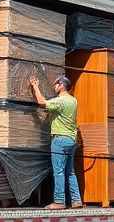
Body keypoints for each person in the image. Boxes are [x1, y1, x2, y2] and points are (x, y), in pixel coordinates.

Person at [29, 75, 83, 209]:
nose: (54, 87)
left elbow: (41, 102)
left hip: (60, 139)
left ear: (61, 85)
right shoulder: (73, 101)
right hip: (71, 140)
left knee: (58, 171)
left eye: (55, 84)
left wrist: (35, 85)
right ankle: (76, 201)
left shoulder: (60, 101)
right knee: (70, 171)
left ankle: (59, 202)